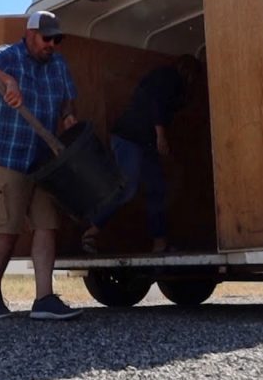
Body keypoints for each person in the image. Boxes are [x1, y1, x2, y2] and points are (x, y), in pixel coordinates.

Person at [0, 10, 82, 320]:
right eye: (46, 37)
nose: (51, 43)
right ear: (29, 34)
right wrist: (8, 81)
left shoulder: (59, 64)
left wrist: (67, 116)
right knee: (6, 231)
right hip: (7, 157)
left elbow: (67, 99)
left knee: (47, 225)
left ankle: (44, 299)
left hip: (43, 161)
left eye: (56, 39)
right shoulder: (10, 56)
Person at [81, 54, 203, 254]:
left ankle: (160, 242)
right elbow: (156, 103)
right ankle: (91, 230)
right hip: (130, 138)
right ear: (188, 71)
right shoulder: (168, 77)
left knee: (157, 187)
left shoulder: (171, 82)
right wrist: (160, 136)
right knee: (127, 188)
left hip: (142, 142)